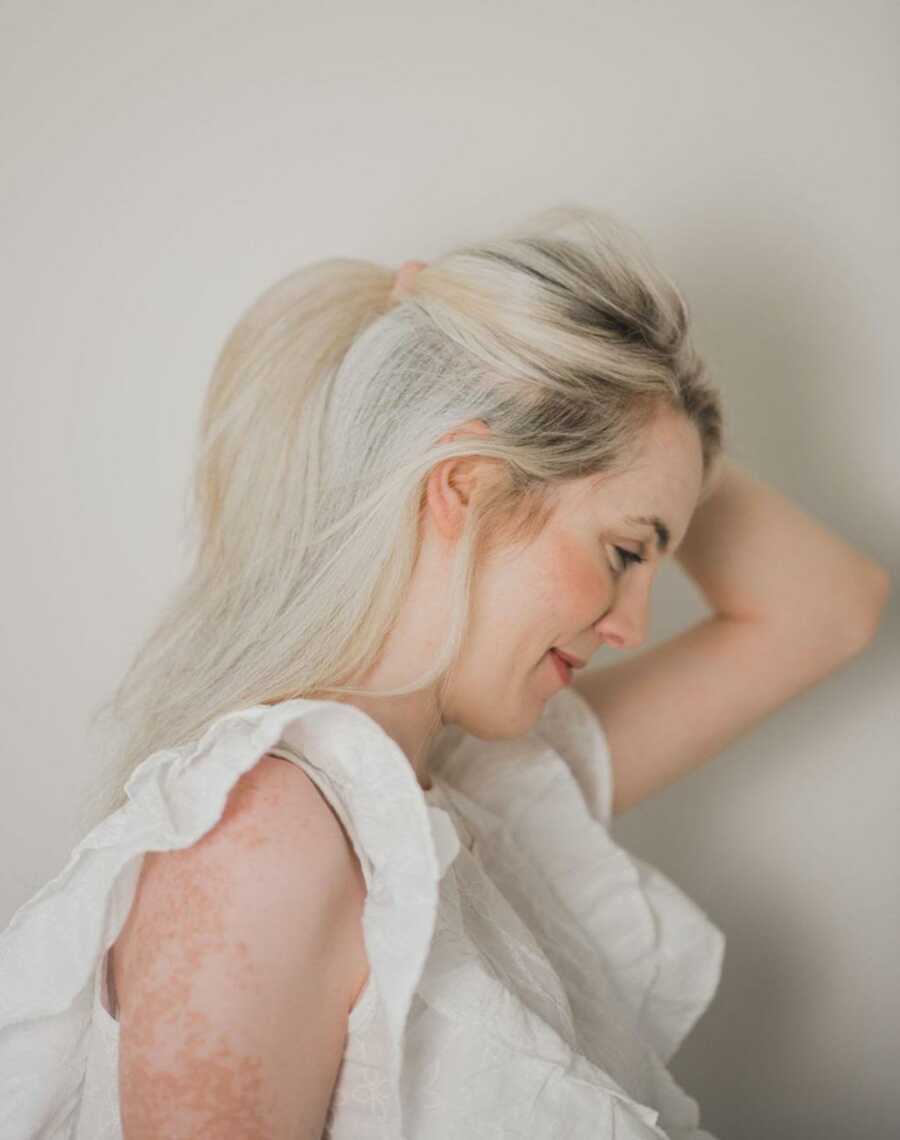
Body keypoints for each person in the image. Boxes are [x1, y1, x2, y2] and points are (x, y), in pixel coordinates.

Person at [0, 205, 889, 1139]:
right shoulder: (267, 838)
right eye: (627, 552)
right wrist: (596, 402)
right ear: (465, 482)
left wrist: (639, 420)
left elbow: (831, 610)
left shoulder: (478, 792)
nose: (632, 626)